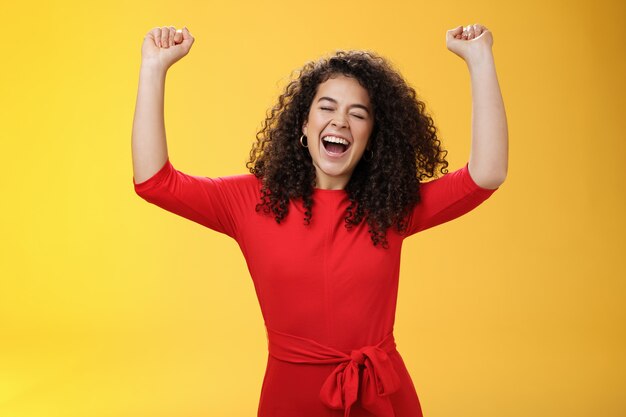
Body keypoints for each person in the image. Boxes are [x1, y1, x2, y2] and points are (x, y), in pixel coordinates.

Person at [131, 24, 508, 417]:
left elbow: (487, 174)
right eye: (327, 107)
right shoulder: (248, 201)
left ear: (371, 138)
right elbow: (155, 182)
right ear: (303, 126)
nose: (340, 121)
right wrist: (153, 68)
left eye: (357, 114)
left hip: (381, 395)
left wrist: (479, 59)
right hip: (290, 400)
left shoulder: (391, 207)